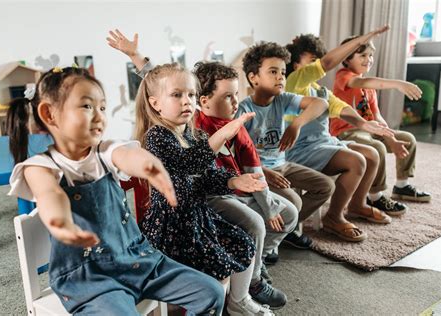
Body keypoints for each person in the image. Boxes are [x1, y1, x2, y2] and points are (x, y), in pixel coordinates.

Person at [6, 66, 225, 315]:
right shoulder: (39, 166)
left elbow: (129, 155)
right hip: (91, 278)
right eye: (87, 106)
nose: (99, 116)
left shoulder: (104, 151)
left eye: (102, 107)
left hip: (138, 258)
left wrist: (152, 168)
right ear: (49, 114)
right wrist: (62, 225)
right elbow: (49, 195)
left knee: (211, 293)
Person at [135, 62, 275, 316]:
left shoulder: (190, 134)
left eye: (190, 94)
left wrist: (233, 181)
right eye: (176, 95)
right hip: (173, 226)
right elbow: (187, 164)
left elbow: (205, 175)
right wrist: (223, 133)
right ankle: (214, 306)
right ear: (155, 103)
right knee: (216, 272)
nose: (186, 101)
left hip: (197, 217)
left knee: (243, 243)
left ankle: (236, 302)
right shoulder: (157, 136)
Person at [194, 61, 298, 308]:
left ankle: (258, 261)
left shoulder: (237, 126)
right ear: (204, 100)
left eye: (236, 95)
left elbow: (254, 171)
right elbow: (164, 90)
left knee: (289, 214)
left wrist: (270, 206)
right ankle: (253, 282)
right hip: (214, 195)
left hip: (242, 189)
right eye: (227, 96)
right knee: (255, 224)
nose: (235, 102)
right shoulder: (195, 125)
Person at [283, 26, 396, 242]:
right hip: (300, 151)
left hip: (324, 144)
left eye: (318, 58)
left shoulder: (321, 91)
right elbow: (326, 64)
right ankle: (334, 217)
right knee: (356, 161)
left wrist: (365, 124)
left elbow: (342, 108)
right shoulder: (293, 84)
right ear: (296, 65)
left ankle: (357, 204)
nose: (318, 64)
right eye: (311, 60)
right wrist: (364, 38)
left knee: (371, 155)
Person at [237, 41, 335, 245]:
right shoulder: (244, 111)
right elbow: (237, 157)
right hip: (259, 171)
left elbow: (321, 103)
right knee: (295, 201)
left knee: (325, 186)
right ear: (254, 78)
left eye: (282, 71)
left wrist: (296, 124)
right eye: (273, 71)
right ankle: (272, 238)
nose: (281, 76)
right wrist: (263, 172)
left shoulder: (283, 99)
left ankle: (284, 229)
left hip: (283, 164)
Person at [331, 36, 431, 214]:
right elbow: (359, 82)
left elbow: (376, 115)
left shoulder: (370, 88)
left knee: (407, 139)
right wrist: (397, 84)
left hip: (371, 129)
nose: (368, 59)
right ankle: (374, 196)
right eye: (362, 55)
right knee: (377, 147)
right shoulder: (343, 77)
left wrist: (390, 135)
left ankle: (401, 185)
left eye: (370, 55)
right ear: (347, 58)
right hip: (348, 132)